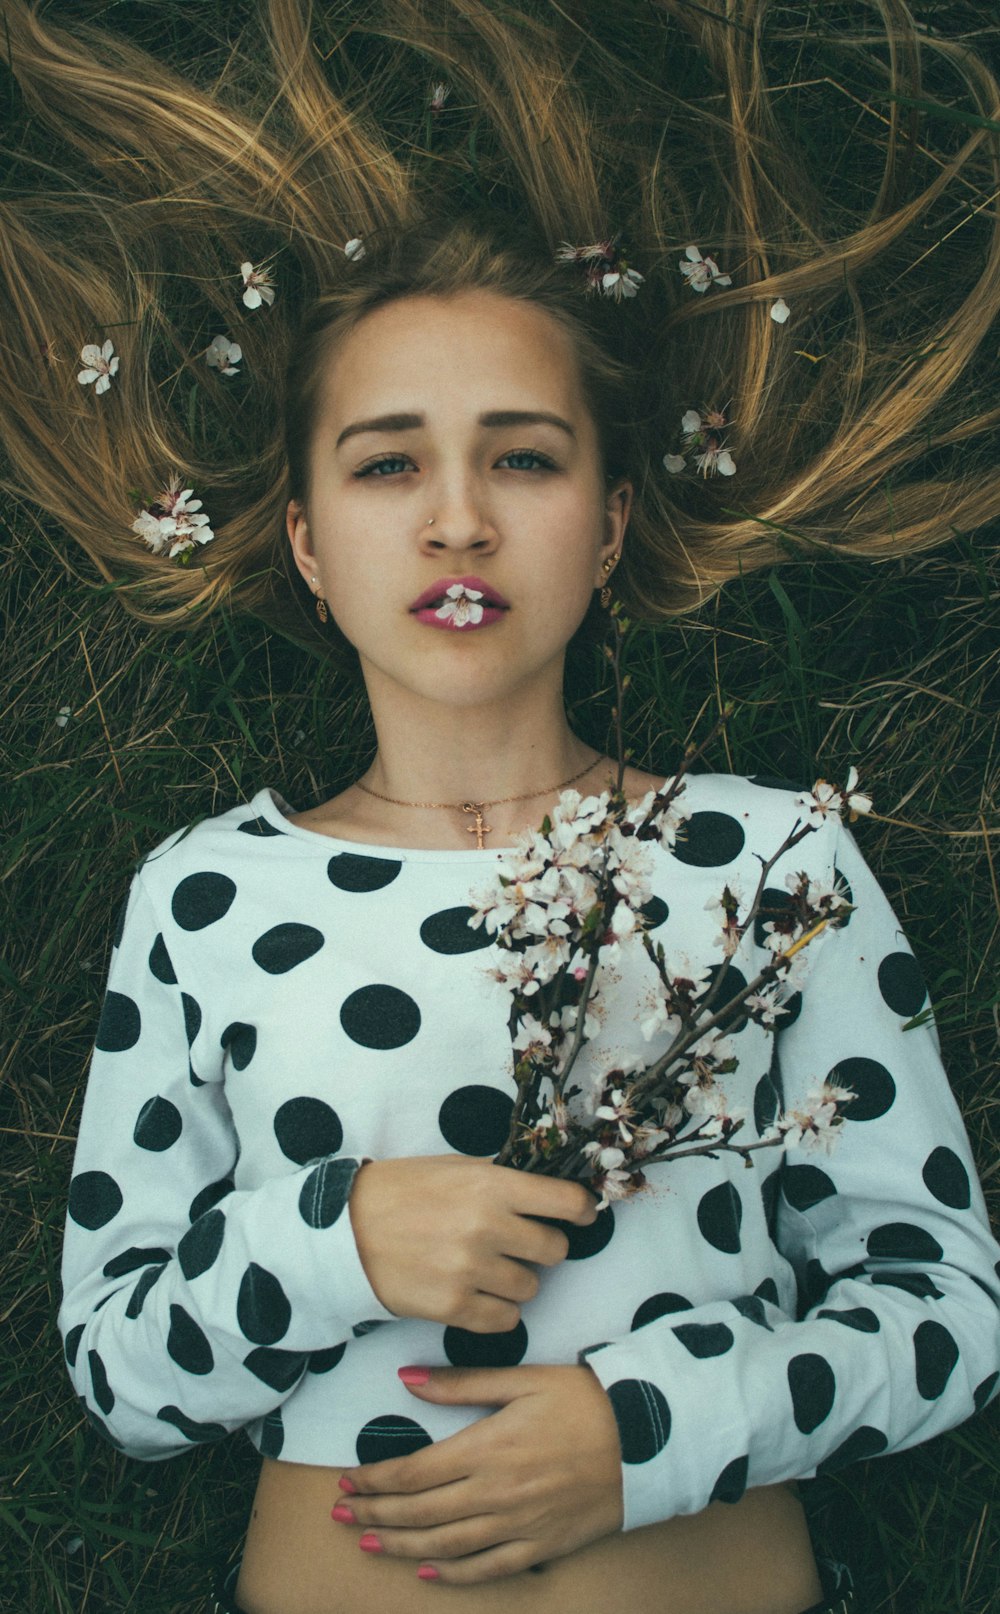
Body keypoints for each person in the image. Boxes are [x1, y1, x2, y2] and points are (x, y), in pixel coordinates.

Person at [1, 4, 998, 1613]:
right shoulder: (205, 894)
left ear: (607, 527)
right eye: (390, 467)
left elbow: (946, 1304)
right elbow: (120, 1374)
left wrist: (647, 1431)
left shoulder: (770, 860)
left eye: (522, 462)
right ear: (313, 546)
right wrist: (343, 1242)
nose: (459, 519)